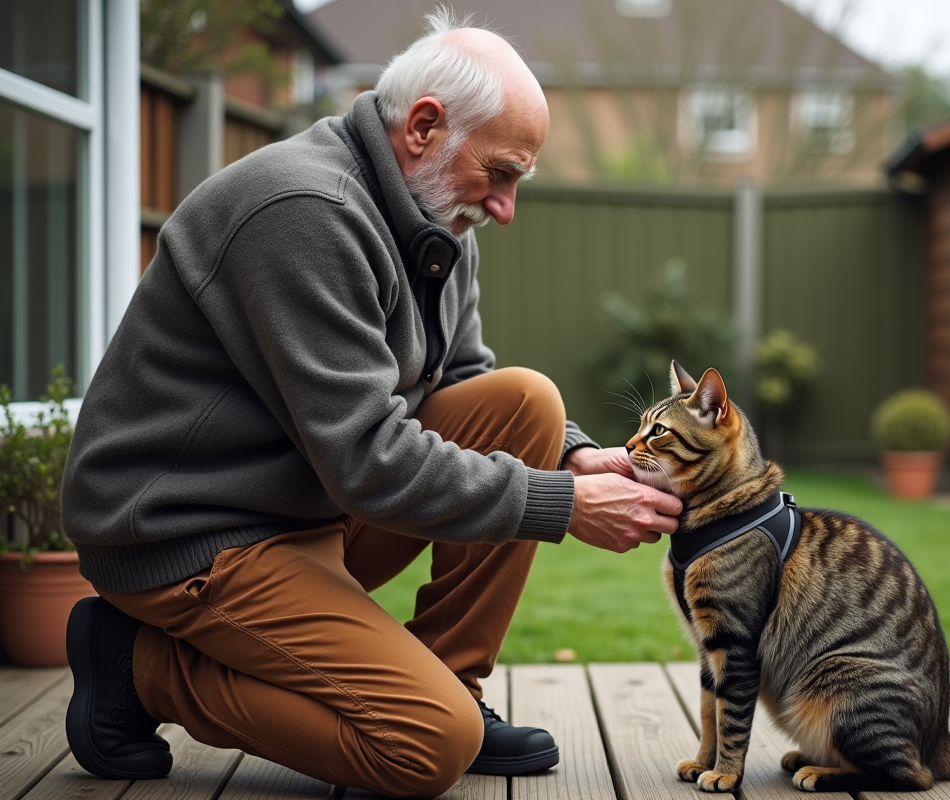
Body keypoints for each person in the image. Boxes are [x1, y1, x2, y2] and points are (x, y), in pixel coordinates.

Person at [60, 9, 681, 798]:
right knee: (424, 747)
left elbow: (464, 380)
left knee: (528, 404)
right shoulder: (303, 211)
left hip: (300, 501)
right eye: (501, 172)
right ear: (423, 126)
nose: (505, 207)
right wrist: (563, 504)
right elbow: (368, 459)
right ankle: (140, 668)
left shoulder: (434, 216)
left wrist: (576, 456)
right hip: (188, 533)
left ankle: (453, 680)